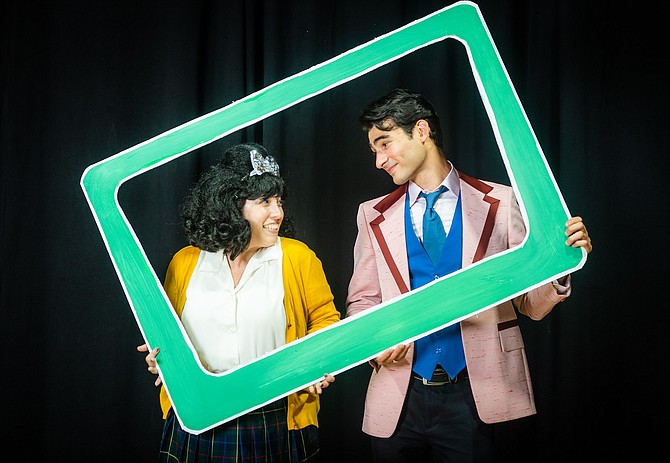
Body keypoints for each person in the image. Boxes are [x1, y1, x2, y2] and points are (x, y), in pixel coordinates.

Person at [345, 88, 593, 462]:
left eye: (385, 143)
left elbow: (529, 304)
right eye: (374, 151)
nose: (379, 160)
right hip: (398, 396)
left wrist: (560, 267)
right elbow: (362, 300)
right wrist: (375, 341)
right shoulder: (372, 214)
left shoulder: (501, 201)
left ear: (422, 131)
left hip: (475, 395)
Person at [137, 142, 341, 462]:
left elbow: (326, 320)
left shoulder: (299, 258)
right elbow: (168, 336)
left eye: (279, 201)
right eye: (264, 202)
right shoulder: (184, 262)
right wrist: (160, 358)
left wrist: (317, 361)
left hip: (273, 419)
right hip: (197, 414)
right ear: (231, 205)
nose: (278, 212)